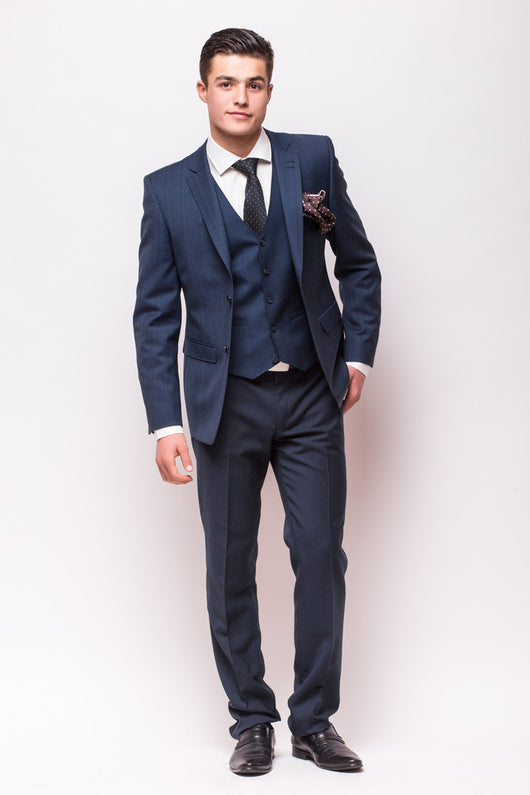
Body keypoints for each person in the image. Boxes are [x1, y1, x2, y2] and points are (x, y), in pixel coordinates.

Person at [133, 27, 381, 776]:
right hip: (225, 400)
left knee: (320, 555)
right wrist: (165, 421)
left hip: (309, 392)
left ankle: (314, 720)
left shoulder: (313, 160)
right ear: (202, 90)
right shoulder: (168, 190)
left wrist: (357, 354)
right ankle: (251, 718)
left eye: (255, 83)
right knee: (228, 564)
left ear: (269, 90)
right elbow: (155, 315)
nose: (241, 97)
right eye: (227, 83)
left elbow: (358, 262)